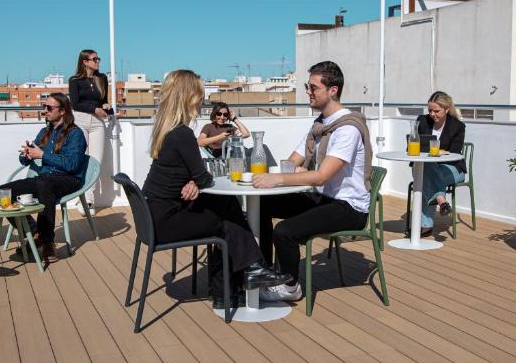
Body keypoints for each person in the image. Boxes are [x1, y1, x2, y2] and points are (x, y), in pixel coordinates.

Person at [142, 70, 288, 306]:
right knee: (228, 218)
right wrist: (196, 180)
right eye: (200, 95)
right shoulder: (183, 134)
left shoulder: (167, 131)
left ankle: (231, 288)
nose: (202, 101)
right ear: (188, 97)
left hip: (154, 217)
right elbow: (205, 179)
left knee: (225, 208)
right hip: (166, 223)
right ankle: (250, 271)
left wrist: (192, 180)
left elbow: (192, 177)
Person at [252, 61, 371, 302]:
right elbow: (293, 160)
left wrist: (278, 178)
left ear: (332, 90)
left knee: (284, 232)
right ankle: (264, 269)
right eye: (308, 86)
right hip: (325, 199)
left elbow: (321, 175)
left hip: (349, 207)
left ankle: (290, 285)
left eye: (312, 87)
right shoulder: (319, 126)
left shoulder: (347, 129)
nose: (308, 91)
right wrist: (283, 171)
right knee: (262, 205)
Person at [0, 93, 88, 261]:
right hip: (45, 179)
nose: (45, 110)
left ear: (63, 110)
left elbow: (72, 165)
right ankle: (36, 232)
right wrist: (26, 154)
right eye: (44, 107)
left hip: (68, 179)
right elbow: (25, 160)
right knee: (0, 192)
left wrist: (43, 155)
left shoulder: (75, 134)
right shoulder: (45, 132)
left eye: (49, 108)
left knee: (44, 184)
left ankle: (48, 242)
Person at [412, 91, 466, 237]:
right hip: (425, 167)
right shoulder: (422, 121)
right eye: (430, 110)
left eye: (437, 111)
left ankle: (426, 225)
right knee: (426, 168)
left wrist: (439, 152)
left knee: (425, 176)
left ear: (447, 109)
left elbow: (454, 152)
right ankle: (442, 200)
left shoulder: (457, 126)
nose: (432, 114)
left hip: (453, 169)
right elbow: (413, 143)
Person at [68, 48, 110, 207]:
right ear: (85, 62)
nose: (98, 61)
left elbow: (103, 100)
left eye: (99, 59)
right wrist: (94, 109)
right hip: (80, 120)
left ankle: (88, 200)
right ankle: (83, 198)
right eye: (95, 59)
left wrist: (105, 105)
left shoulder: (102, 78)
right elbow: (75, 104)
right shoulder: (74, 80)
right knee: (81, 160)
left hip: (98, 122)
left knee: (96, 162)